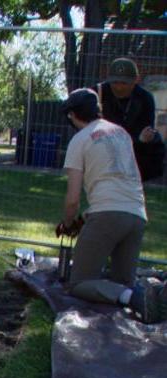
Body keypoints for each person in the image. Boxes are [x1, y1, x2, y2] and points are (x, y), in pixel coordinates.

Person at [58, 88, 163, 323]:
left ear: (72, 116)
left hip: (107, 214)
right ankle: (148, 292)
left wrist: (68, 223)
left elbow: (72, 198)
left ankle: (132, 296)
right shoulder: (121, 133)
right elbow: (118, 182)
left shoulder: (80, 140)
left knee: (80, 282)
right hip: (137, 213)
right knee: (122, 282)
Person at [97, 57, 165, 183]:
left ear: (136, 80)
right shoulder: (98, 93)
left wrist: (142, 139)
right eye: (115, 82)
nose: (119, 87)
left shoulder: (145, 98)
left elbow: (146, 129)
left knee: (155, 142)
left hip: (134, 141)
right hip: (104, 141)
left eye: (124, 83)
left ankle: (140, 179)